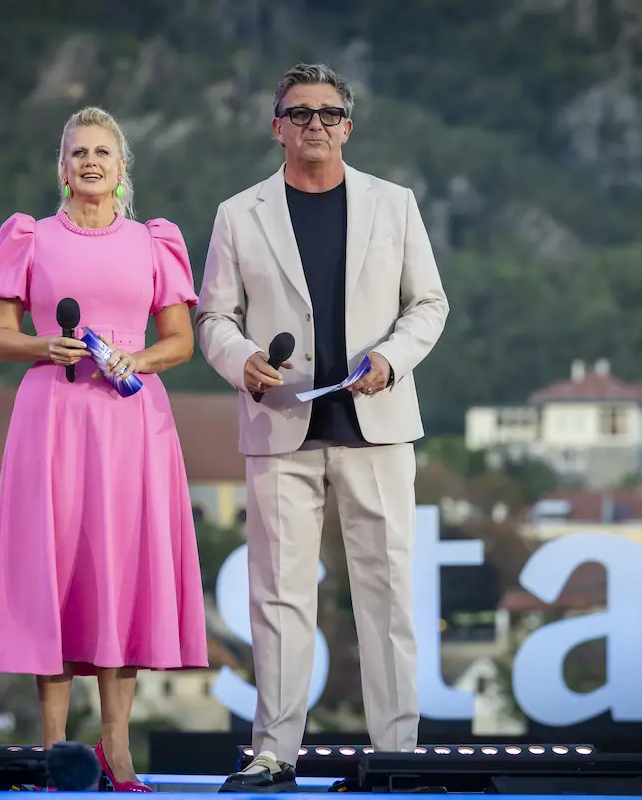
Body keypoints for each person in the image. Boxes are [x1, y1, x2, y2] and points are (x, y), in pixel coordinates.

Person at [195, 63, 449, 792]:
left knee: (389, 591)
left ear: (349, 125)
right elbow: (214, 316)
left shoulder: (394, 205)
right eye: (299, 113)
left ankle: (395, 758)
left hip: (377, 423)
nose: (315, 125)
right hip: (281, 424)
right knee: (276, 595)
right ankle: (274, 754)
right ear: (276, 125)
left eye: (328, 113)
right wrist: (241, 360)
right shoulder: (238, 214)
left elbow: (428, 305)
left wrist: (391, 361)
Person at [0, 105, 208, 793]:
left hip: (131, 421)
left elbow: (181, 342)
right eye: (78, 153)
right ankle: (53, 751)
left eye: (103, 151)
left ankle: (116, 748)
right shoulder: (30, 238)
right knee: (58, 570)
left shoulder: (155, 242)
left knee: (119, 574)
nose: (91, 162)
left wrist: (137, 357)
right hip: (52, 417)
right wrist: (45, 345)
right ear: (63, 167)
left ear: (122, 167)